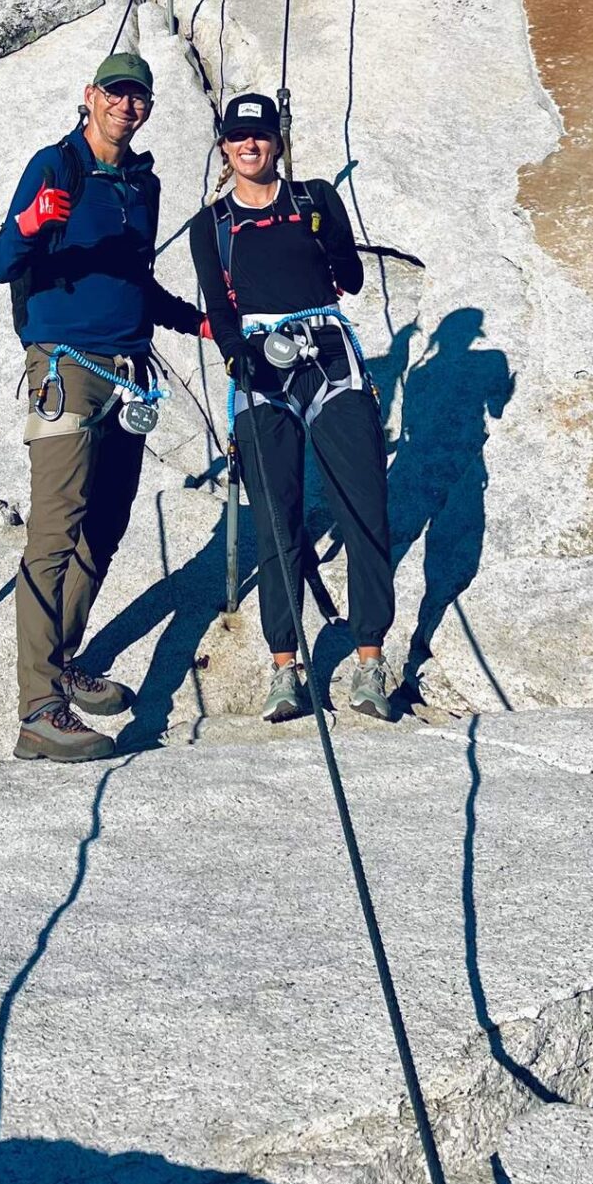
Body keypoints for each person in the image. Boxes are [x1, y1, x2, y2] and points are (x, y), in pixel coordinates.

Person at [0, 50, 202, 762]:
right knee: (54, 534)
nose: (126, 104)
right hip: (65, 367)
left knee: (106, 528)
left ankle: (64, 661)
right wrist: (28, 224)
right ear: (90, 97)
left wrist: (197, 320)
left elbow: (136, 280)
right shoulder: (55, 167)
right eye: (115, 92)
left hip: (131, 370)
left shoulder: (143, 183)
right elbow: (2, 265)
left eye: (138, 96)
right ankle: (39, 709)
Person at [189, 94, 394, 723]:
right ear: (224, 146)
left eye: (260, 135)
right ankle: (286, 668)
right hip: (259, 364)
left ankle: (370, 660)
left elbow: (351, 280)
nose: (250, 145)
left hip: (330, 355)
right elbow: (221, 312)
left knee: (363, 506)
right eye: (238, 136)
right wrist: (232, 355)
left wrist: (332, 246)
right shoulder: (211, 224)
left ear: (277, 142)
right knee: (277, 518)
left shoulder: (314, 199)